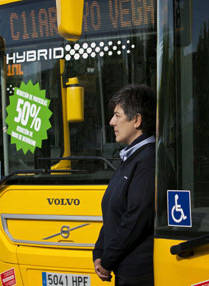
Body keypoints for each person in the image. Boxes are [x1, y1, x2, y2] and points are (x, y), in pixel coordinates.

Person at [93, 84, 156, 286]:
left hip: (138, 273)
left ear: (137, 120)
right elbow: (114, 212)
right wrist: (99, 252)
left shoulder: (147, 160)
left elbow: (135, 218)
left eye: (117, 116)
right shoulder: (130, 157)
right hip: (124, 269)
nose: (111, 122)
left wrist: (108, 259)